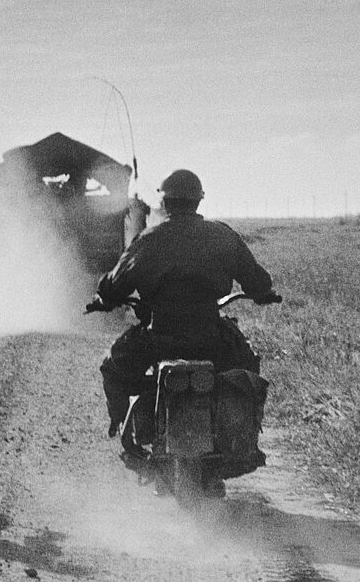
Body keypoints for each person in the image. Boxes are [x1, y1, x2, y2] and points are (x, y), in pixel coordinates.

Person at [87, 168, 279, 456]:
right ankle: (245, 439)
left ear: (164, 203)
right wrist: (263, 294)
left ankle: (121, 429)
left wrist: (105, 298)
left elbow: (114, 284)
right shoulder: (222, 235)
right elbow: (257, 281)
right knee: (247, 368)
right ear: (199, 200)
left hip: (159, 337)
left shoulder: (147, 240)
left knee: (113, 369)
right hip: (211, 337)